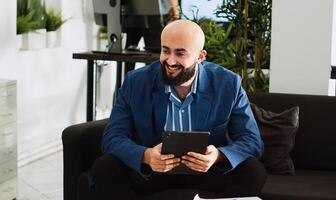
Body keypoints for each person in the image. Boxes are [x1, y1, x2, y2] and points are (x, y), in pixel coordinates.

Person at [89, 19, 267, 199]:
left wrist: (218, 156)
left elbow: (252, 140)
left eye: (180, 53)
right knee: (105, 168)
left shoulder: (228, 84)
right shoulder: (136, 82)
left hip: (206, 170)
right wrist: (146, 156)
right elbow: (112, 137)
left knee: (253, 170)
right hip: (153, 170)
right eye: (165, 50)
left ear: (200, 56)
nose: (170, 60)